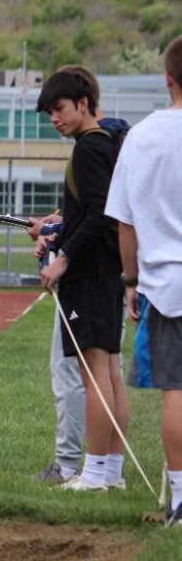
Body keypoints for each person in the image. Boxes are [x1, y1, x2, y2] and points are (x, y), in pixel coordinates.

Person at [28, 65, 131, 485]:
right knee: (109, 374)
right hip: (107, 273)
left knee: (94, 376)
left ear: (84, 103)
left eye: (60, 109)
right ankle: (112, 472)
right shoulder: (105, 144)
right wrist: (56, 232)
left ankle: (93, 473)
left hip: (89, 277)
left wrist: (63, 256)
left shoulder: (89, 147)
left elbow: (98, 212)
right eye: (49, 112)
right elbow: (95, 211)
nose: (55, 119)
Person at [106, 34, 182, 526]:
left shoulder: (144, 135)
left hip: (167, 283)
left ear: (167, 78)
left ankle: (181, 498)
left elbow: (125, 221)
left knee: (178, 390)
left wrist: (130, 281)